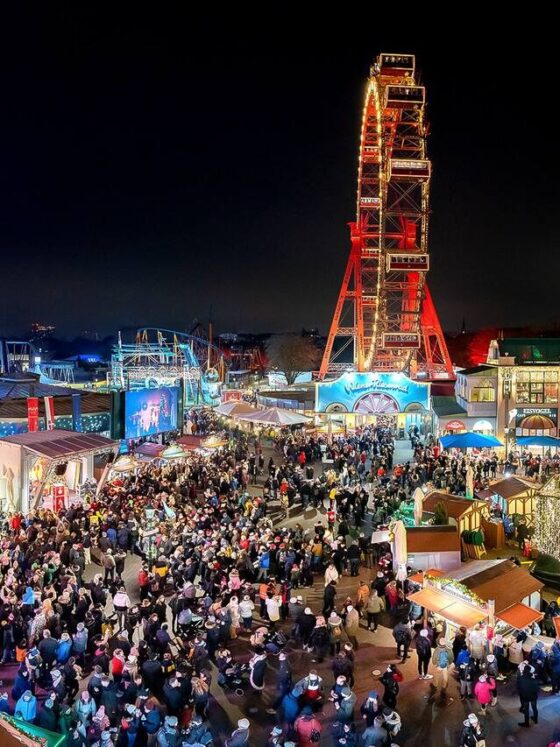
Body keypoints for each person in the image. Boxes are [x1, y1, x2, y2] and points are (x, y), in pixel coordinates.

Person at [429, 638, 454, 705]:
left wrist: (435, 663)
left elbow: (434, 660)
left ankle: (434, 687)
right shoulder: (449, 649)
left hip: (438, 666)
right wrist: (448, 663)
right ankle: (443, 690)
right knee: (445, 678)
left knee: (436, 677)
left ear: (439, 644)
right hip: (445, 666)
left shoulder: (437, 650)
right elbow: (451, 659)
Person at [517, 662, 539, 727]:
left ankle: (526, 723)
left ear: (524, 670)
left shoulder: (521, 678)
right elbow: (537, 689)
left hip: (525, 696)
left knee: (526, 709)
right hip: (533, 696)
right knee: (534, 708)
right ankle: (535, 719)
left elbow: (518, 687)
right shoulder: (533, 678)